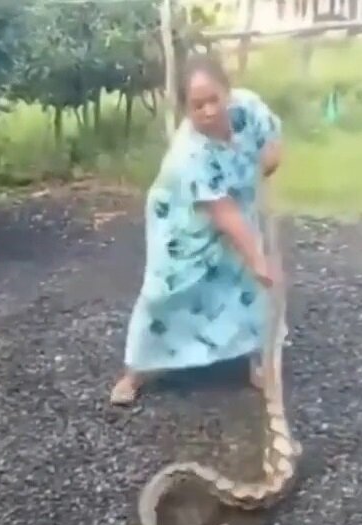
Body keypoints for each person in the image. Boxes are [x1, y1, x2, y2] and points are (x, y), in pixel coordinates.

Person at [111, 53, 284, 405]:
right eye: (197, 105)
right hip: (183, 220)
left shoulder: (248, 108)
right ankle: (138, 369)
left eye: (213, 100)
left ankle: (255, 355)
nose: (207, 111)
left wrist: (267, 165)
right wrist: (258, 257)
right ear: (186, 108)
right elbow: (224, 215)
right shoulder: (189, 153)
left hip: (236, 200)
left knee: (246, 284)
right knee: (167, 291)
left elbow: (272, 142)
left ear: (227, 91)